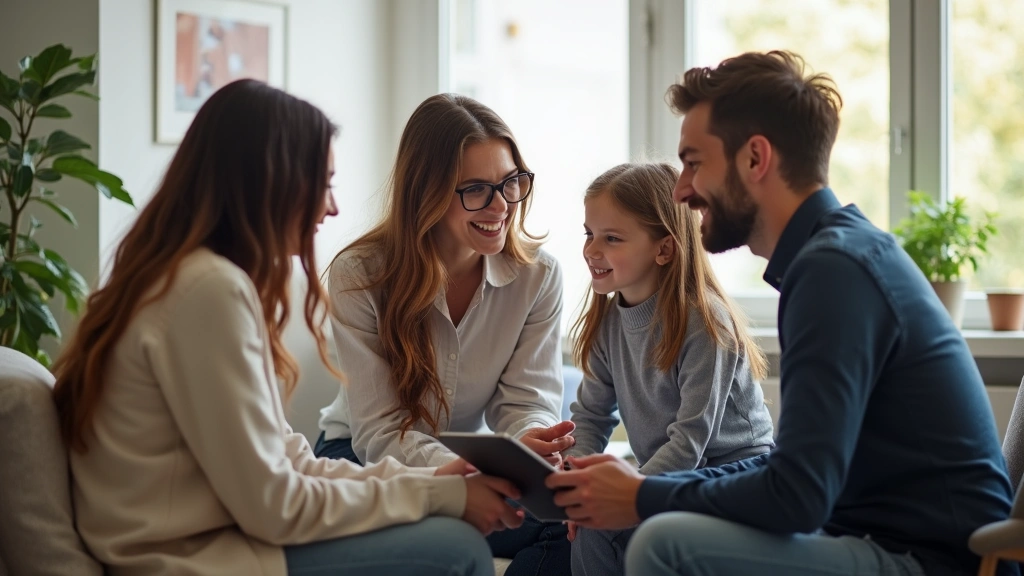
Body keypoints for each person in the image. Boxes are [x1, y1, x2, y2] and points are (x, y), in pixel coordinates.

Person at [547, 50, 1018, 576]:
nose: (681, 189)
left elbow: (797, 497)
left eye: (694, 162)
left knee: (663, 543)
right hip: (874, 537)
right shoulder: (829, 260)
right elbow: (788, 469)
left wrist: (643, 499)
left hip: (929, 561)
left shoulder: (834, 272)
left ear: (755, 159)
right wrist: (642, 488)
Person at [51, 79, 523, 576]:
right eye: (323, 184)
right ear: (268, 183)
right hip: (189, 558)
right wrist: (439, 495)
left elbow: (288, 460)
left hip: (211, 537)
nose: (333, 207)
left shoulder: (183, 279)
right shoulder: (207, 292)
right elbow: (274, 504)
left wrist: (437, 485)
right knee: (456, 548)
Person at [315, 93, 574, 576]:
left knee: (577, 525)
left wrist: (530, 444)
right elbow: (381, 434)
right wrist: (465, 481)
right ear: (426, 194)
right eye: (476, 189)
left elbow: (526, 401)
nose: (502, 206)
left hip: (470, 462)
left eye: (511, 182)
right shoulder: (360, 275)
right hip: (359, 458)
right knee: (447, 533)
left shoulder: (538, 277)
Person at [564, 161, 775, 576]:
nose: (591, 250)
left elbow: (691, 441)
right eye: (589, 234)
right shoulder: (609, 321)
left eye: (612, 238)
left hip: (731, 480)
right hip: (672, 479)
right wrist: (574, 488)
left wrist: (629, 494)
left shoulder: (705, 322)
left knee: (618, 529)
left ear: (663, 248)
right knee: (586, 529)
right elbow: (589, 418)